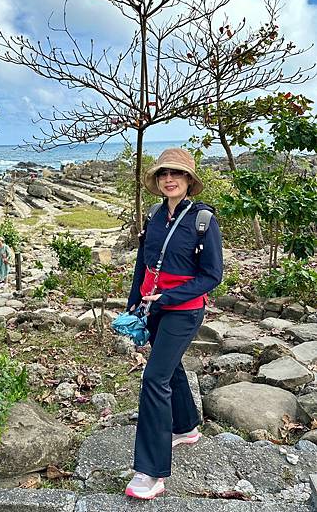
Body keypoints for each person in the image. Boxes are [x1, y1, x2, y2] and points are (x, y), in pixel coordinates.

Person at [124, 148, 223, 500]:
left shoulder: (203, 221)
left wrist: (166, 299)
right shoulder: (153, 216)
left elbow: (212, 275)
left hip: (185, 310)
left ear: (188, 181)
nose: (169, 179)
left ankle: (150, 472)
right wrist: (134, 301)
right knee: (170, 367)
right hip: (153, 307)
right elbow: (144, 263)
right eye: (164, 173)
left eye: (177, 174)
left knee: (154, 377)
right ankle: (185, 427)